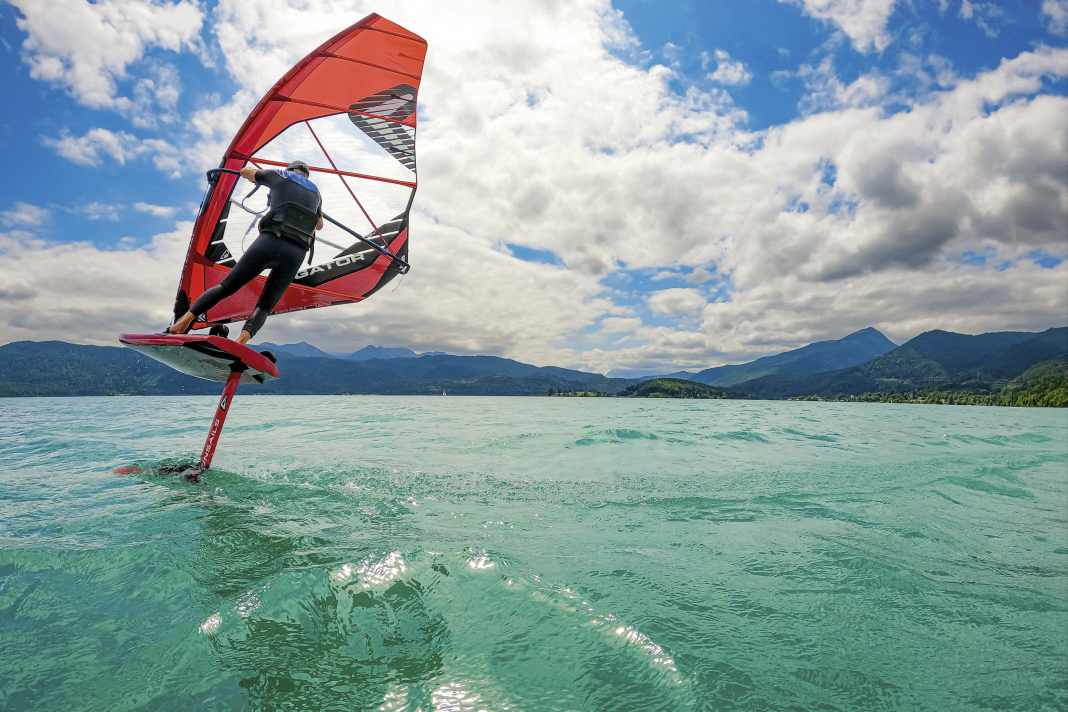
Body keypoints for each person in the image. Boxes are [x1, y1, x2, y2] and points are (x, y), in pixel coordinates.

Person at [169, 161, 324, 344]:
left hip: (270, 241)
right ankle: (240, 341)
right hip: (296, 252)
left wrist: (260, 176)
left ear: (291, 169)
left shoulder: (280, 175)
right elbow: (319, 225)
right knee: (265, 305)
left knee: (227, 286)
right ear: (306, 175)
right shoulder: (316, 194)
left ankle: (182, 322)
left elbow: (246, 172)